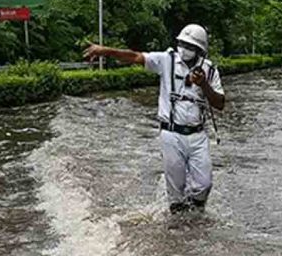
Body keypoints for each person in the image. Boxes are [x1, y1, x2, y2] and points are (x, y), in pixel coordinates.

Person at [83, 24, 225, 215]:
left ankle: (196, 217)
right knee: (176, 190)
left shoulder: (209, 70)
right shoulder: (166, 60)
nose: (184, 49)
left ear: (200, 50)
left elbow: (220, 103)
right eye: (182, 44)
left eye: (190, 46)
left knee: (204, 185)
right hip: (171, 134)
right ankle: (180, 227)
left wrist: (204, 85)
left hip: (198, 136)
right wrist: (105, 51)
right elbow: (135, 56)